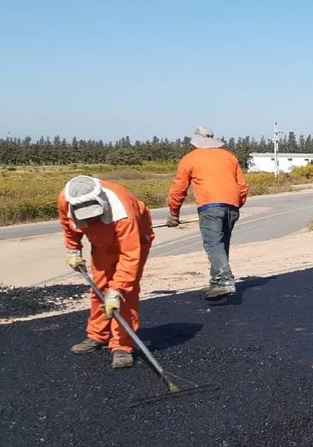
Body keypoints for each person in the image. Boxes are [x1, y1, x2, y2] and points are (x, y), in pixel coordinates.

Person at [58, 175, 155, 369]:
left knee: (124, 294)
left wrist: (117, 290)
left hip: (134, 239)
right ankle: (98, 335)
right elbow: (68, 228)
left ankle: (122, 346)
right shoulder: (65, 200)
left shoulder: (123, 210)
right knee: (99, 288)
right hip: (100, 243)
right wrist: (73, 250)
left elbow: (130, 256)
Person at [166, 126, 249, 300]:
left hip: (210, 207)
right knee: (221, 245)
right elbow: (242, 186)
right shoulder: (229, 157)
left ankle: (224, 281)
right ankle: (216, 282)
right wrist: (235, 205)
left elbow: (178, 189)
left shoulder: (190, 159)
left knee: (213, 244)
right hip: (232, 207)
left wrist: (174, 214)